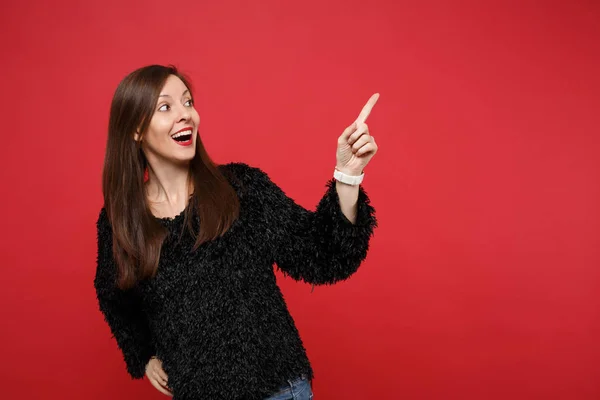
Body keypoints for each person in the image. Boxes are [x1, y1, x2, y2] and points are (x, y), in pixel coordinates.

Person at [93, 64, 379, 400]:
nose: (185, 115)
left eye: (187, 102)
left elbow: (322, 256)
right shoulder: (121, 222)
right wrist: (143, 356)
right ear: (136, 130)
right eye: (165, 107)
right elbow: (114, 296)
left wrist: (347, 175)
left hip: (280, 392)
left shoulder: (241, 189)